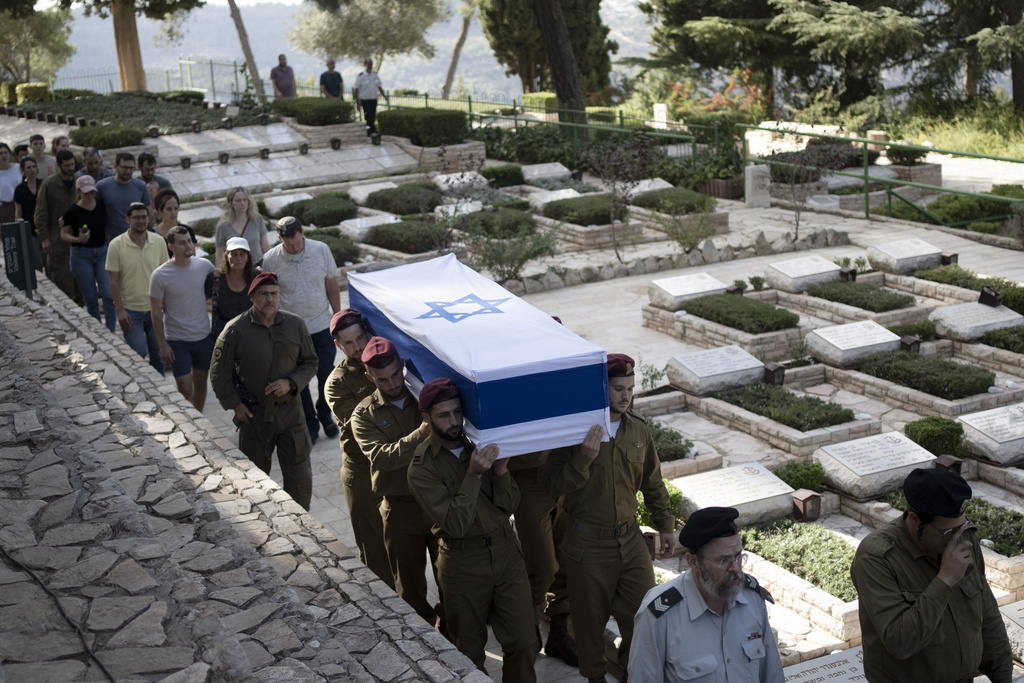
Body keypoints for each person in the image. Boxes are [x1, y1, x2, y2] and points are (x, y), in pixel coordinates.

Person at [546, 353, 678, 683]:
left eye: (630, 389)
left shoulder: (638, 430)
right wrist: (582, 458)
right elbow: (554, 485)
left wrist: (666, 527)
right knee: (589, 625)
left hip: (631, 540)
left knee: (646, 617)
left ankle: (633, 673)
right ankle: (596, 678)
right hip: (587, 544)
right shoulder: (575, 431)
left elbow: (653, 482)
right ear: (602, 388)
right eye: (618, 388)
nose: (625, 396)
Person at [408, 378, 538, 681]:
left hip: (506, 553)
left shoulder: (479, 444)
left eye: (457, 412)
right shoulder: (421, 467)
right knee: (468, 652)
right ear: (426, 418)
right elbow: (454, 523)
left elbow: (509, 505)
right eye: (444, 415)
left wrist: (502, 471)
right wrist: (474, 475)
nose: (454, 421)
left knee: (524, 641)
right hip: (463, 563)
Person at [851, 468, 1012, 683]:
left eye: (961, 527)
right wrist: (945, 579)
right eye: (947, 533)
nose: (956, 539)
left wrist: (1004, 678)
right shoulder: (876, 558)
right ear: (916, 520)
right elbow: (899, 641)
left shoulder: (963, 539)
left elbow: (987, 614)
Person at [629, 506, 784, 682]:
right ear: (694, 562)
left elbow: (771, 675)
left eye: (738, 556)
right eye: (723, 560)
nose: (735, 568)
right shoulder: (660, 615)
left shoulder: (752, 598)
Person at [351, 337, 443, 628]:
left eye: (394, 375)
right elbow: (381, 457)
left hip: (438, 503)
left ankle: (453, 632)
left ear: (402, 366)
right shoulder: (364, 415)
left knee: (453, 579)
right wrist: (421, 434)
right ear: (369, 377)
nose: (391, 384)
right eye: (382, 379)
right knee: (410, 590)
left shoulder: (425, 397)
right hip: (400, 509)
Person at [210, 272, 317, 510]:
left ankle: (302, 523)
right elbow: (218, 374)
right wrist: (235, 405)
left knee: (300, 475)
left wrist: (290, 383)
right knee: (256, 480)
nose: (270, 298)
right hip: (254, 416)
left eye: (274, 294)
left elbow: (310, 362)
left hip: (291, 413)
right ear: (252, 296)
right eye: (264, 294)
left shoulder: (295, 324)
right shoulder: (235, 329)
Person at [324, 309, 392, 587]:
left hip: (396, 469)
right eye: (349, 343)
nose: (358, 347)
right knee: (376, 552)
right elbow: (366, 429)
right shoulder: (337, 384)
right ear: (339, 346)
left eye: (361, 338)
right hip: (364, 475)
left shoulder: (387, 363)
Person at [261, 216, 341, 443]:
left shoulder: (321, 250)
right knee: (298, 379)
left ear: (302, 232)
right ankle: (309, 423)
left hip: (321, 325)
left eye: (297, 243)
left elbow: (331, 285)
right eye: (289, 245)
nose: (294, 248)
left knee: (327, 373)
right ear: (280, 239)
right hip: (290, 330)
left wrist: (337, 316)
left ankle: (325, 414)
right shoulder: (270, 260)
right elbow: (268, 295)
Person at [510, 449, 577, 665]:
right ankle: (527, 627)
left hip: (566, 473)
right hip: (529, 477)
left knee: (567, 560)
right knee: (542, 565)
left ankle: (558, 633)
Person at [150, 226, 216, 411]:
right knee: (185, 388)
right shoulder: (160, 275)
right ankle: (192, 421)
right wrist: (162, 344)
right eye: (182, 243)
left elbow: (218, 288)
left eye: (189, 241)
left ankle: (198, 418)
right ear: (171, 246)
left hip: (203, 336)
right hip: (177, 340)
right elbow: (155, 311)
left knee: (201, 384)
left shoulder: (204, 266)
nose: (188, 246)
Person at [105, 202, 168, 374]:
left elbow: (166, 275)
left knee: (158, 354)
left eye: (144, 217)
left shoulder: (159, 241)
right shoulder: (116, 245)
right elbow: (113, 281)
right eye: (136, 217)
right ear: (128, 220)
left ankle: (161, 390)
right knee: (137, 355)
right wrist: (120, 310)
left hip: (156, 309)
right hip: (131, 312)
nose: (141, 221)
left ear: (149, 219)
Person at [60, 175, 115, 331]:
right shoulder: (72, 211)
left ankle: (110, 329)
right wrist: (78, 238)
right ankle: (97, 328)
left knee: (108, 294)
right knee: (90, 298)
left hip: (102, 252)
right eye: (86, 193)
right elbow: (63, 233)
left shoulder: (101, 205)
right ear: (79, 192)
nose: (90, 196)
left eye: (92, 192)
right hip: (81, 255)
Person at [34, 149, 80, 302]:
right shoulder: (49, 185)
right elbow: (40, 213)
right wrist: (44, 238)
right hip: (58, 241)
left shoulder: (80, 182)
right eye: (67, 165)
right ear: (59, 165)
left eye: (72, 164)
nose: (71, 168)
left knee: (80, 285)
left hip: (79, 240)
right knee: (63, 283)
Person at [209, 236, 259, 341]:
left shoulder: (256, 278)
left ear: (247, 258)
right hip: (222, 335)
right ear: (227, 256)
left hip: (250, 335)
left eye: (242, 254)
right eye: (234, 254)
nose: (238, 258)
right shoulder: (215, 279)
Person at [97, 152, 153, 240]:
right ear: (115, 166)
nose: (128, 171)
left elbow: (149, 210)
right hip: (113, 239)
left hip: (137, 238)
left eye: (131, 168)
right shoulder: (102, 186)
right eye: (124, 168)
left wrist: (151, 232)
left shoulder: (141, 186)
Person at [214, 187, 270, 265]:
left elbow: (266, 247)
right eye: (238, 200)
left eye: (245, 199)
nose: (242, 203)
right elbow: (219, 253)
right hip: (236, 269)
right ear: (231, 203)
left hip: (257, 265)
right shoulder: (223, 226)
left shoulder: (256, 219)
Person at [353, 58, 389, 135]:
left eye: (371, 64)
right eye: (368, 64)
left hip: (373, 99)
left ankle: (371, 131)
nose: (370, 66)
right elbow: (356, 89)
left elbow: (379, 87)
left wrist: (385, 96)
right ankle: (372, 132)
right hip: (365, 100)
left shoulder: (375, 75)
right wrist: (357, 103)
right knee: (368, 117)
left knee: (372, 116)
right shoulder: (361, 76)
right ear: (365, 65)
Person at [0, 143, 22, 222]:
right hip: (5, 207)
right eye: (1, 153)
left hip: (21, 204)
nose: (4, 155)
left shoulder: (18, 167)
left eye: (6, 152)